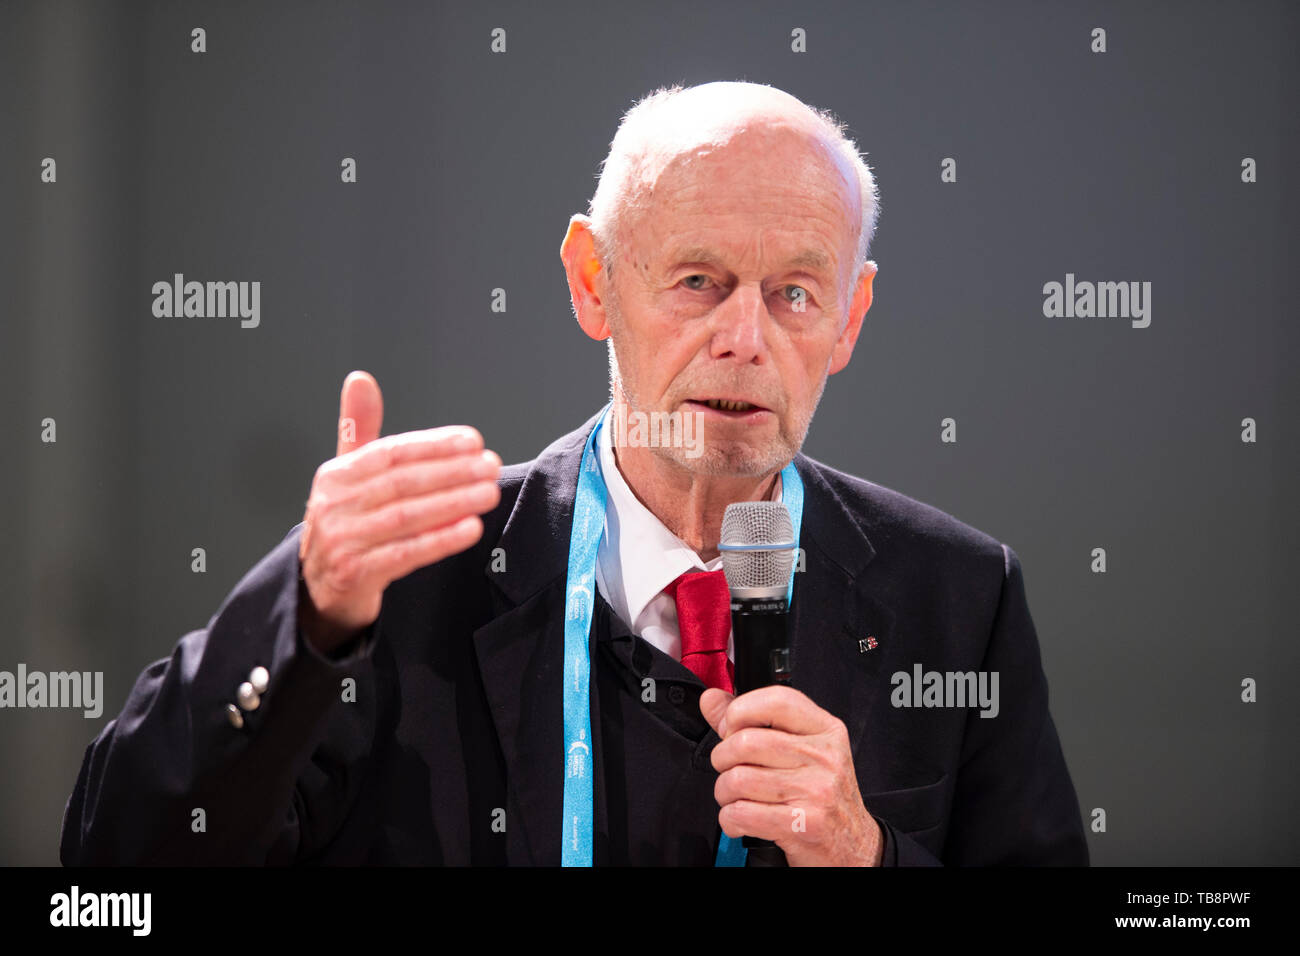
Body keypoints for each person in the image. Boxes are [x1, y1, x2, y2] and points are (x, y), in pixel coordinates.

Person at [60, 81, 1088, 866]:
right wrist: (303, 619)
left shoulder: (957, 597)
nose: (745, 338)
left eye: (793, 294)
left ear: (851, 320)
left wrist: (871, 856)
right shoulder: (403, 574)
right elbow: (112, 873)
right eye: (698, 280)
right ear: (593, 282)